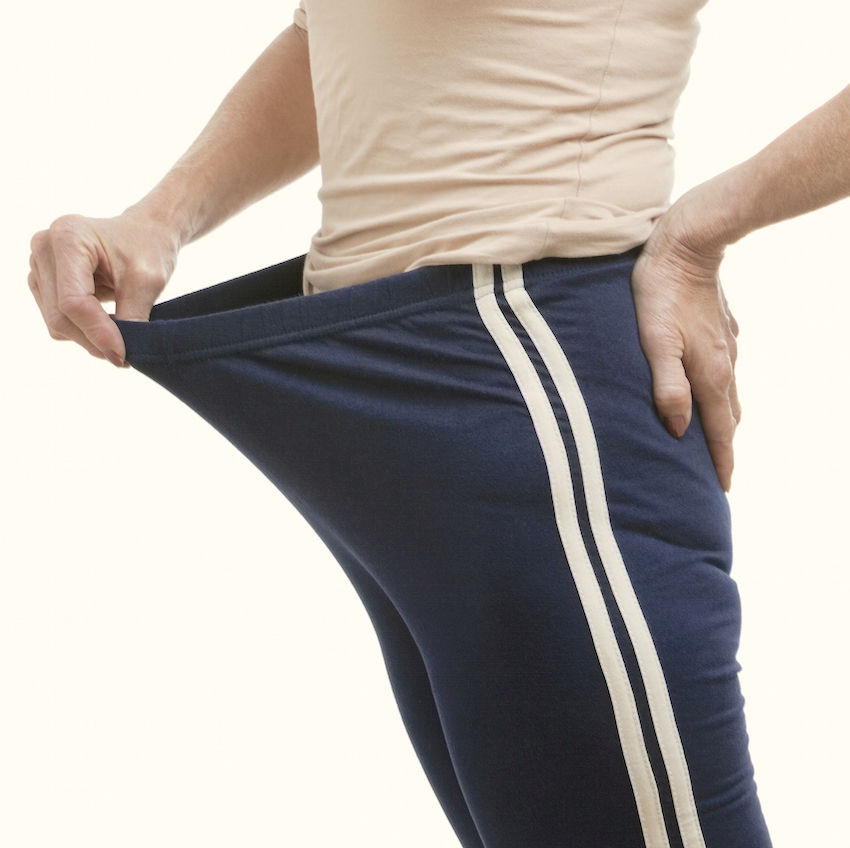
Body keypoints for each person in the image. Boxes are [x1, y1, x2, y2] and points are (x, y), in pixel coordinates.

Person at [26, 2, 850, 846]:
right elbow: (340, 31)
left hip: (533, 395)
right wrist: (161, 218)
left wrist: (702, 231)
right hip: (389, 413)